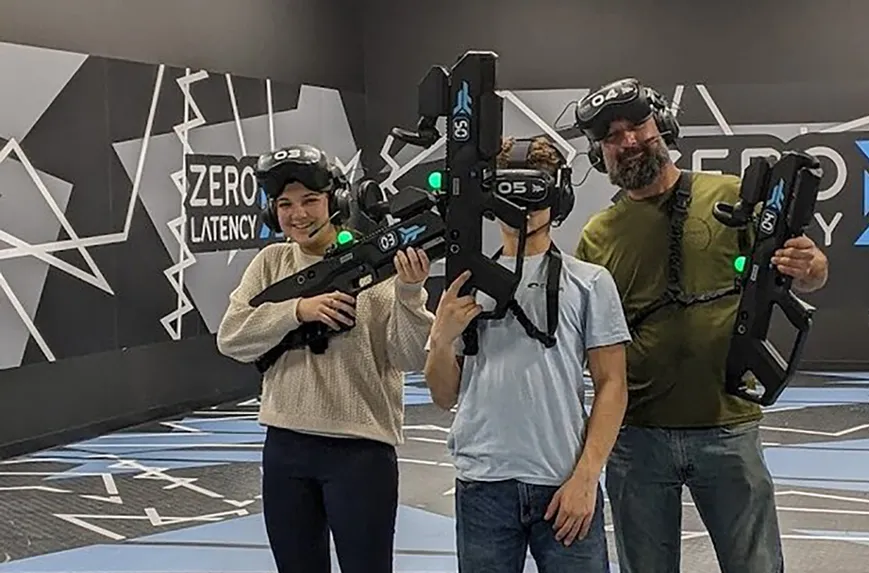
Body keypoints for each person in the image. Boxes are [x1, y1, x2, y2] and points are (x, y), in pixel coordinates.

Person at [572, 78, 830, 573]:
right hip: (637, 437)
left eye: (637, 126)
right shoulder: (597, 236)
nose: (627, 141)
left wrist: (811, 264)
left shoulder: (733, 196)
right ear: (598, 153)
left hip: (728, 428)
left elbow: (812, 273)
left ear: (663, 125)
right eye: (612, 136)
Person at [216, 143, 435, 573]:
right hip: (286, 447)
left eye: (310, 201)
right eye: (285, 204)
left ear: (334, 200)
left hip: (361, 452)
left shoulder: (375, 260)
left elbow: (408, 356)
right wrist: (298, 310)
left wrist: (410, 293)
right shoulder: (271, 263)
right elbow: (232, 337)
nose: (298, 215)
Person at [423, 135, 632, 573]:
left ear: (559, 196)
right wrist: (441, 338)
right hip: (483, 484)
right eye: (509, 190)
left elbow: (613, 385)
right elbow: (444, 396)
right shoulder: (467, 282)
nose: (523, 206)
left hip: (564, 484)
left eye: (535, 191)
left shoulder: (590, 282)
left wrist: (587, 477)